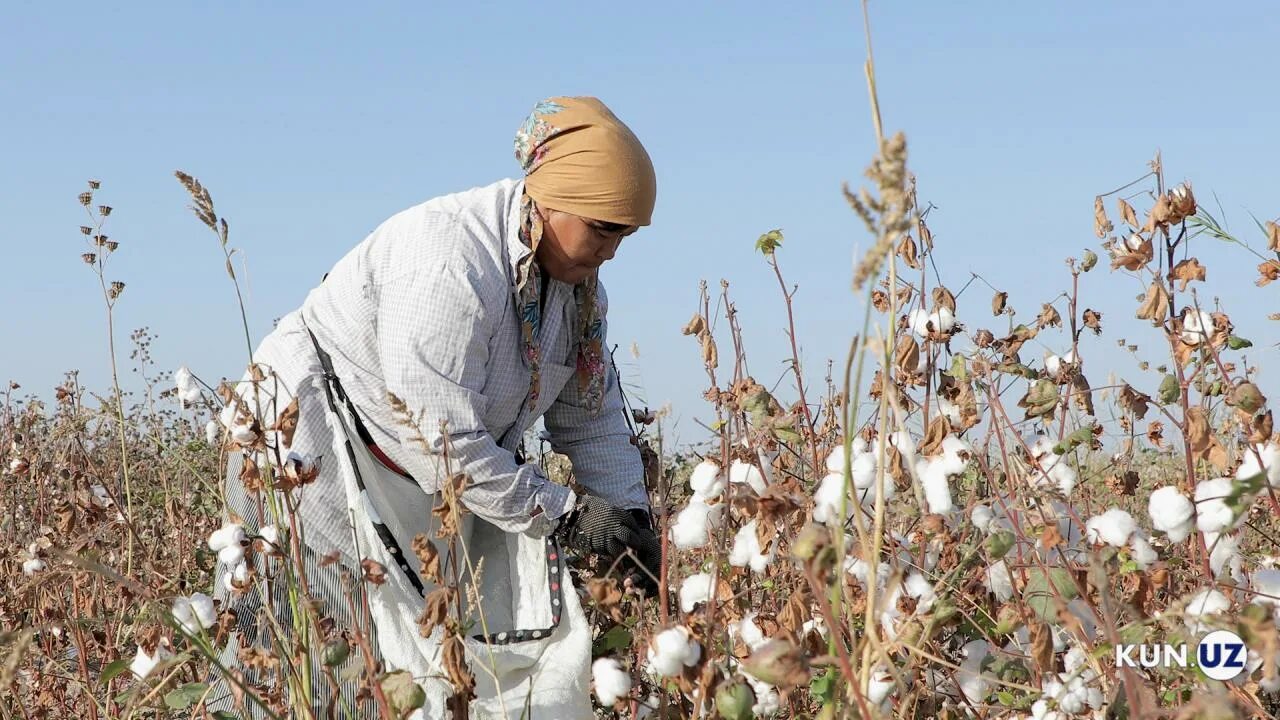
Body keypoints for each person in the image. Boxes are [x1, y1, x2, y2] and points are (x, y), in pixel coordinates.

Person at [206, 96, 662, 719]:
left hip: (405, 474)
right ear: (551, 199)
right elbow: (441, 443)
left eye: (624, 236)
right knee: (305, 653)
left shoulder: (579, 297)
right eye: (604, 230)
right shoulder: (449, 262)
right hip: (305, 443)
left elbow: (593, 416)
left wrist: (629, 522)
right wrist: (566, 515)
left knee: (412, 664)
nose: (612, 251)